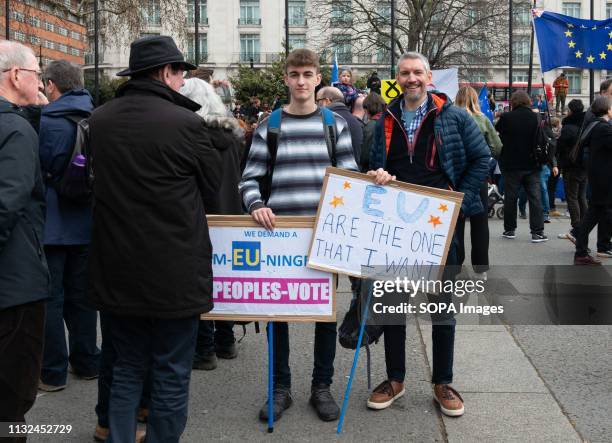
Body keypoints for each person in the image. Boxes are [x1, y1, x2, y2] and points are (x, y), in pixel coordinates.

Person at [87, 35, 222, 442]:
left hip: (116, 266)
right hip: (174, 270)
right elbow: (215, 188)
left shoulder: (99, 120)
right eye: (180, 72)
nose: (183, 80)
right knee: (170, 370)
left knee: (126, 366)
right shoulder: (187, 124)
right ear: (166, 72)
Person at [367, 52, 490, 416]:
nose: (411, 79)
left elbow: (481, 160)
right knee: (392, 305)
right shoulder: (384, 119)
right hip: (396, 228)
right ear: (398, 78)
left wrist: (460, 203)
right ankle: (396, 378)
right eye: (405, 73)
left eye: (417, 72)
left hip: (440, 228)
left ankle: (443, 381)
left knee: (441, 308)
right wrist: (377, 173)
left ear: (429, 76)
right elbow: (370, 164)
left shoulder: (453, 117)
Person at [239, 48, 358, 423]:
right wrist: (256, 203)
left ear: (318, 78)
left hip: (324, 235)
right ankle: (280, 388)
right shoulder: (269, 126)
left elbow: (350, 177)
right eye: (295, 74)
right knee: (278, 315)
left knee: (323, 314)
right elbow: (249, 178)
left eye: (308, 74)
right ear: (287, 79)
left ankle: (321, 387)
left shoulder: (332, 124)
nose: (302, 81)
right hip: (279, 237)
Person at [37, 60, 100, 393]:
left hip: (51, 223)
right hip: (86, 221)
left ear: (50, 85)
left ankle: (53, 371)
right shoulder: (97, 117)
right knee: (82, 297)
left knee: (51, 298)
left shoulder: (44, 121)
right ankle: (88, 361)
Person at [0, 40, 49, 437]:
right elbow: (6, 204)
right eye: (36, 73)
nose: (42, 82)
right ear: (16, 76)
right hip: (14, 284)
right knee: (12, 398)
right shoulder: (15, 128)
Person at [180, 77, 244, 370]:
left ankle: (204, 348)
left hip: (201, 214)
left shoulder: (191, 138)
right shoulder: (231, 136)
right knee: (226, 278)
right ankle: (226, 339)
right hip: (230, 214)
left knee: (201, 280)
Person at [454, 85, 503, 279]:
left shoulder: (450, 118)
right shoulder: (482, 120)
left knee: (456, 223)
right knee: (480, 222)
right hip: (478, 176)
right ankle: (481, 268)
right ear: (475, 100)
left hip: (456, 176)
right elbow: (497, 147)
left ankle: (455, 266)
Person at [496, 91, 548, 242]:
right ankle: (537, 232)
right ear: (527, 101)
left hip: (511, 164)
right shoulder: (536, 117)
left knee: (511, 198)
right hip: (532, 163)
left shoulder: (506, 117)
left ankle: (510, 230)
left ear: (513, 102)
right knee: (535, 198)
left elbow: (497, 135)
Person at [573, 96, 612, 264]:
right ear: (607, 109)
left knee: (595, 213)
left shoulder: (594, 125)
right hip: (604, 179)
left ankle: (582, 249)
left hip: (599, 177)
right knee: (594, 215)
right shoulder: (603, 128)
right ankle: (581, 251)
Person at [557, 99, 586, 242]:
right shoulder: (586, 123)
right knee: (581, 196)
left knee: (572, 197)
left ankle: (577, 228)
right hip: (584, 166)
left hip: (571, 166)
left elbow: (560, 147)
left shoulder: (568, 126)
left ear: (571, 110)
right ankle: (585, 225)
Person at [316, 86, 362, 165]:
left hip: (331, 174)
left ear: (327, 101)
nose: (316, 104)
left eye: (317, 101)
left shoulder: (326, 121)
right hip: (351, 173)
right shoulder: (356, 121)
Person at [360, 92, 386, 172]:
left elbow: (365, 156)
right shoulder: (387, 121)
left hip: (372, 171)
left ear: (366, 109)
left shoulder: (371, 126)